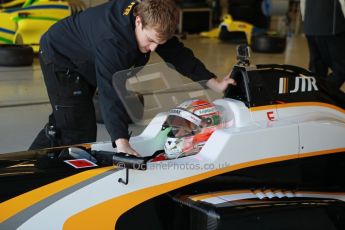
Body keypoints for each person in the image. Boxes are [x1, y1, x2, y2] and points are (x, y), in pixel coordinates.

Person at [29, 0, 235, 157]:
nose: (154, 48)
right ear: (138, 21)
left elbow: (179, 55)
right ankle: (58, 185)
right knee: (79, 132)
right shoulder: (113, 42)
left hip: (86, 57)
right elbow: (110, 91)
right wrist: (122, 143)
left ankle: (31, 160)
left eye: (159, 42)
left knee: (66, 120)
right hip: (61, 58)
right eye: (151, 41)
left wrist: (213, 82)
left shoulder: (153, 20)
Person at [300, 0, 345, 90]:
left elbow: (303, 2)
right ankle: (323, 93)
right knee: (341, 69)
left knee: (317, 68)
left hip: (310, 25)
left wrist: (306, 22)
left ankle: (313, 95)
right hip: (331, 26)